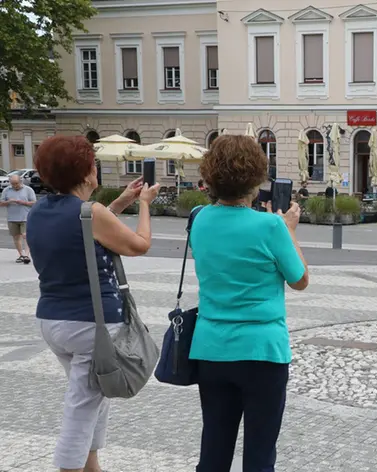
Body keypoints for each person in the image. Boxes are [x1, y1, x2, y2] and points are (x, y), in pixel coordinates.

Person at [26, 135, 160, 472]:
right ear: (87, 174)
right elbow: (139, 245)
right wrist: (145, 204)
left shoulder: (40, 210)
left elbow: (85, 231)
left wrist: (121, 202)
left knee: (93, 396)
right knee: (82, 406)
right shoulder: (91, 212)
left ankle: (92, 466)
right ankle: (70, 468)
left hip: (54, 322)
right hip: (92, 326)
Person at [189, 135, 309, 472]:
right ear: (257, 176)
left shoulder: (200, 219)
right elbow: (300, 280)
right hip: (262, 351)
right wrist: (290, 231)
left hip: (211, 347)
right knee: (259, 452)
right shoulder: (270, 225)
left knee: (214, 447)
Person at [0, 174, 37, 263]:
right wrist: (8, 202)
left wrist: (23, 202)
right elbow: (1, 203)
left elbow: (34, 203)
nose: (15, 186)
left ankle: (27, 255)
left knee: (25, 236)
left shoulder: (28, 190)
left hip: (25, 216)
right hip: (12, 217)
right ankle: (21, 255)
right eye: (13, 184)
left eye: (16, 183)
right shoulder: (6, 190)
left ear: (20, 181)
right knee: (16, 237)